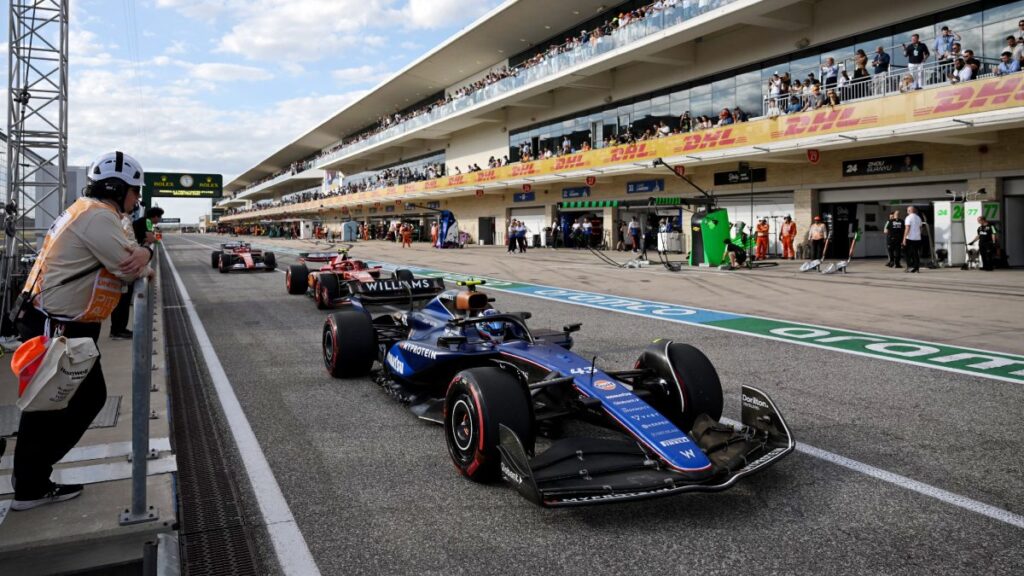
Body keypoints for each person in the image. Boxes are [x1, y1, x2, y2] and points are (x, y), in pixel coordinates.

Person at [11, 151, 153, 511]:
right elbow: (127, 267)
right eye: (135, 191)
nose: (137, 200)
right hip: (59, 325)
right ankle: (30, 482)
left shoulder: (93, 213)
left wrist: (143, 253)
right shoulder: (96, 217)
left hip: (62, 322)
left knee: (57, 403)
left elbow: (131, 252)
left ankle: (31, 477)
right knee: (59, 404)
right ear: (116, 188)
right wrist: (144, 257)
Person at [109, 206, 163, 339]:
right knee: (123, 299)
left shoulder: (140, 221)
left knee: (123, 299)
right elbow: (152, 239)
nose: (159, 219)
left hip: (127, 258)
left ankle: (117, 329)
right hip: (131, 260)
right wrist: (156, 238)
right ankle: (118, 330)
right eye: (159, 217)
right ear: (154, 216)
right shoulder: (148, 222)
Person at [902, 205, 923, 272]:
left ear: (909, 211)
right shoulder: (918, 218)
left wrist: (904, 239)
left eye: (907, 210)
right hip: (917, 238)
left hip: (910, 238)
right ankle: (916, 268)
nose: (907, 211)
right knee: (916, 253)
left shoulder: (908, 218)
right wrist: (918, 235)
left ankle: (909, 267)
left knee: (907, 253)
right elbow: (921, 228)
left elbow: (907, 228)